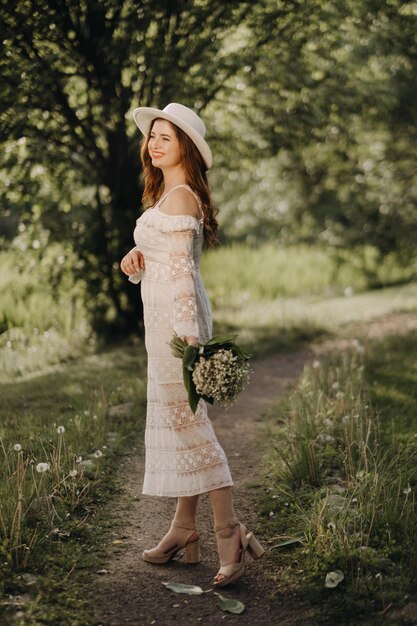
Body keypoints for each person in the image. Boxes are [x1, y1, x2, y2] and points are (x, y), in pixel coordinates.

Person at [120, 103, 264, 587]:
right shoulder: (168, 196)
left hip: (177, 331)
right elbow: (168, 258)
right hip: (161, 325)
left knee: (193, 429)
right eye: (151, 136)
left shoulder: (180, 199)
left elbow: (183, 280)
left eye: (165, 136)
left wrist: (191, 346)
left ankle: (230, 532)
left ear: (186, 146)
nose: (154, 143)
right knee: (181, 426)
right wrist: (138, 256)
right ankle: (184, 530)